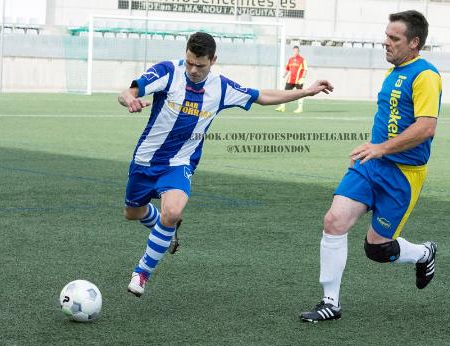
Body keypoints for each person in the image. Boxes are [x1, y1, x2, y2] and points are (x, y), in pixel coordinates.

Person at [118, 32, 333, 297]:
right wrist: (130, 99)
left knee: (172, 212)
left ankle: (142, 272)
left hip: (179, 162)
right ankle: (166, 233)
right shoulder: (168, 72)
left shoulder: (221, 87)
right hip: (145, 161)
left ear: (213, 60)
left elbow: (262, 96)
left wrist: (306, 91)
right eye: (190, 63)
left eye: (201, 65)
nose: (194, 70)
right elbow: (129, 91)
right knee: (133, 214)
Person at [300, 10, 442, 322]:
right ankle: (330, 303)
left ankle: (424, 253)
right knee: (334, 221)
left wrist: (381, 148)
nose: (386, 43)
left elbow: (426, 127)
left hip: (402, 175)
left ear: (414, 42)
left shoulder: (426, 76)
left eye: (394, 38)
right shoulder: (395, 73)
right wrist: (374, 150)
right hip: (371, 165)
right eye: (386, 36)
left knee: (377, 249)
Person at [275, 45, 308, 113]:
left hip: (298, 80)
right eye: (294, 51)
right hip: (290, 80)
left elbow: (305, 69)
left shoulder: (302, 60)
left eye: (297, 51)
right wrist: (283, 76)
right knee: (284, 93)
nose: (295, 52)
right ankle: (282, 107)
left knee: (300, 94)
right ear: (293, 51)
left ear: (299, 51)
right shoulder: (290, 59)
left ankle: (300, 108)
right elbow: (287, 69)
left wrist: (303, 78)